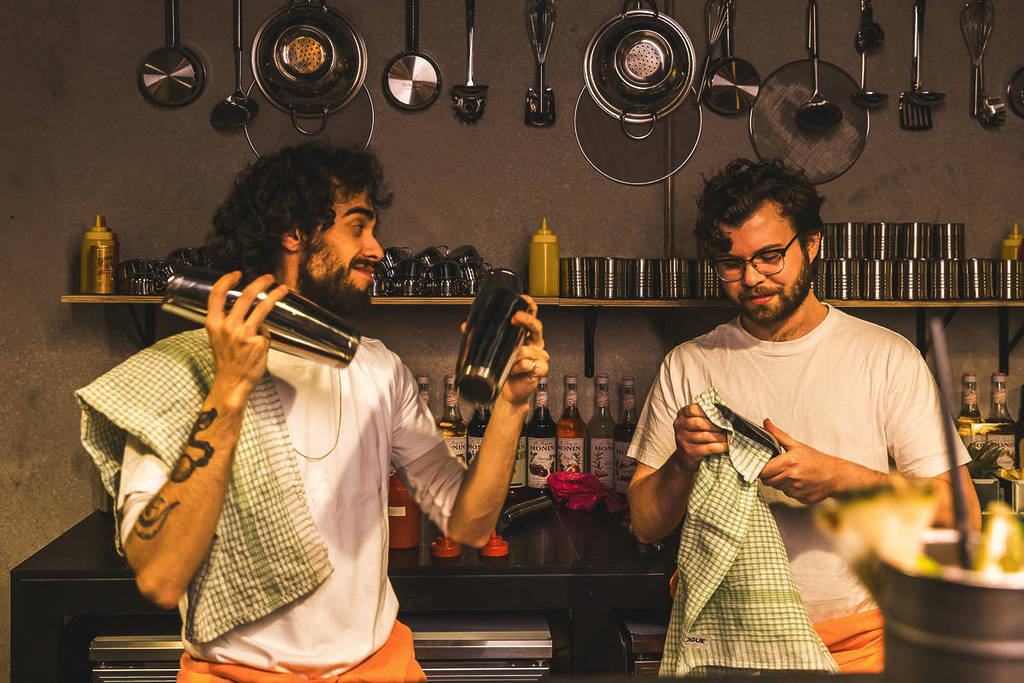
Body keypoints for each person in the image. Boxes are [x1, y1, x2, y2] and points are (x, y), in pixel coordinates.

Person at [76, 143, 549, 682]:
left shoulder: (380, 369)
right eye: (357, 226)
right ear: (294, 232)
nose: (376, 247)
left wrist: (512, 404)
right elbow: (160, 577)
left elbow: (469, 524)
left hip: (375, 671)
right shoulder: (181, 371)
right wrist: (229, 389)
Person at [626, 158, 980, 676]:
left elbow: (962, 513)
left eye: (770, 257)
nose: (751, 278)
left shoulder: (886, 357)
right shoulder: (690, 363)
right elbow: (644, 523)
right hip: (728, 647)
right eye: (731, 263)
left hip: (859, 645)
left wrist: (841, 478)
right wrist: (681, 462)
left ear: (811, 243)